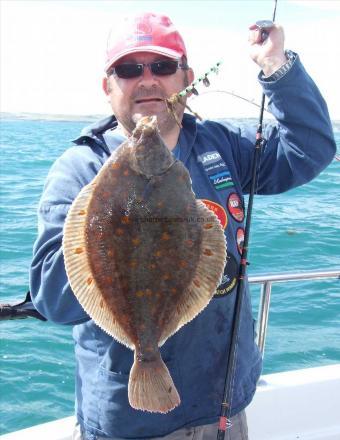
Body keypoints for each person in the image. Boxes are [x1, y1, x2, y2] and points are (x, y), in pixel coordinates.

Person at [30, 12, 336, 440]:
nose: (148, 79)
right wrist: (103, 223)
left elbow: (311, 149)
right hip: (130, 424)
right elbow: (52, 299)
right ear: (108, 86)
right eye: (129, 69)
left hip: (224, 405)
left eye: (162, 66)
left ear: (187, 78)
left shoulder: (222, 144)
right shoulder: (81, 169)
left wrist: (277, 67)